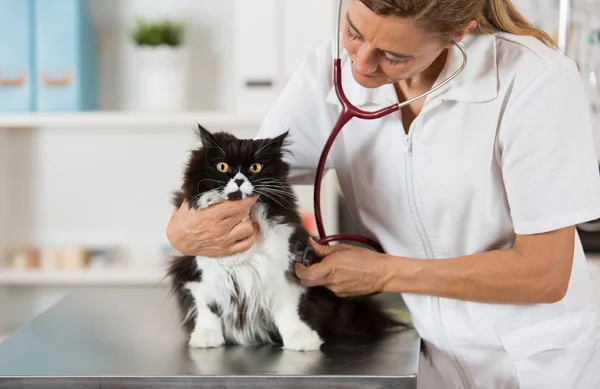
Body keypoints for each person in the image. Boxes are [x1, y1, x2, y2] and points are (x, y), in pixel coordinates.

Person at [166, 0, 600, 388]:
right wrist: (185, 231)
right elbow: (246, 184)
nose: (361, 65)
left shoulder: (534, 81)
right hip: (427, 358)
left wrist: (383, 273)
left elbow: (545, 274)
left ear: (459, 33)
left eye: (395, 56)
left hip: (536, 365)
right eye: (354, 31)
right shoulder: (326, 73)